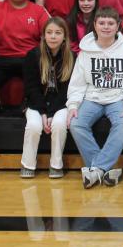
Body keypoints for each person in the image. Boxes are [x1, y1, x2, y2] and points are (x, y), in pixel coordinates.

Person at [67, 7, 123, 189]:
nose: (106, 27)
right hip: (91, 97)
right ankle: (103, 169)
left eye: (110, 23)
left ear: (118, 27)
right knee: (76, 123)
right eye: (102, 23)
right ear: (95, 25)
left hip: (118, 98)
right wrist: (73, 106)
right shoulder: (85, 51)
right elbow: (77, 83)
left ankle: (95, 170)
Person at [21, 17, 74, 179]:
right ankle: (27, 164)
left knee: (59, 124)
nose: (53, 36)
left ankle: (56, 165)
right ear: (43, 35)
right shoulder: (32, 55)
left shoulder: (72, 57)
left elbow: (67, 90)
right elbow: (31, 88)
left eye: (58, 33)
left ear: (64, 36)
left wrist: (51, 113)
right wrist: (43, 112)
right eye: (49, 32)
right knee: (34, 126)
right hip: (36, 102)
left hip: (61, 103)